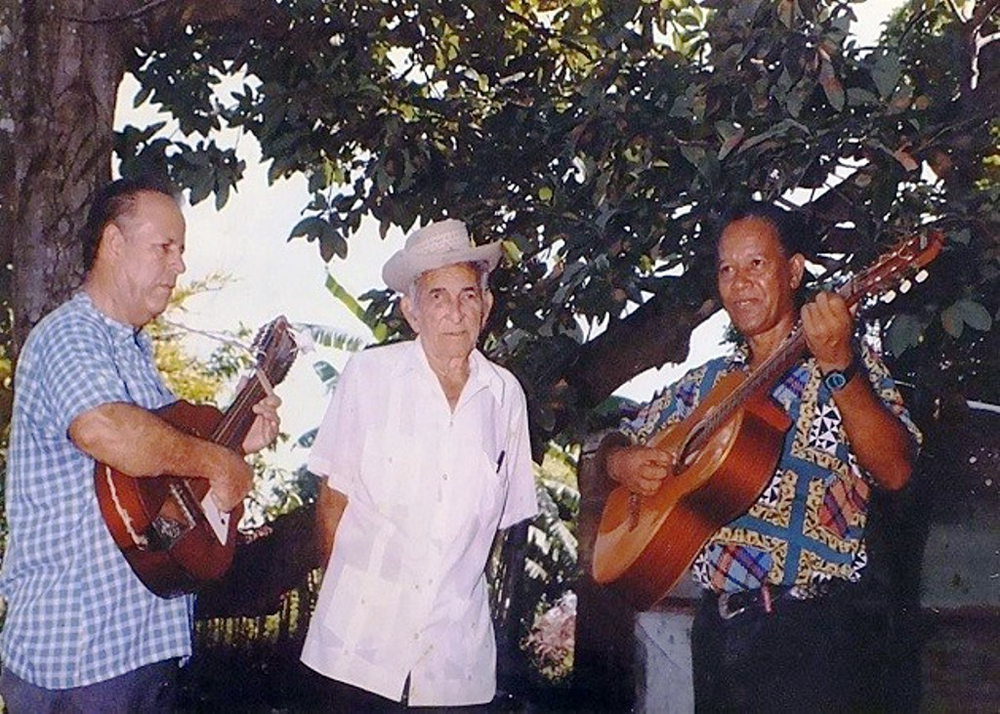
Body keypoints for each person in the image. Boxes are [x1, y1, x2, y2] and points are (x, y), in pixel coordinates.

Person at [601, 201, 921, 711]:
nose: (739, 282)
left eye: (756, 264)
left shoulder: (847, 365)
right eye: (727, 269)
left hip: (816, 638)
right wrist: (622, 463)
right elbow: (607, 445)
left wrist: (840, 367)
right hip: (718, 636)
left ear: (793, 272)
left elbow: (897, 469)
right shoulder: (703, 386)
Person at [0, 176, 281, 712]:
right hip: (81, 657)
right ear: (112, 244)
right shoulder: (71, 335)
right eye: (165, 248)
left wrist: (238, 443)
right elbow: (105, 430)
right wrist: (215, 460)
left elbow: (157, 481)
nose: (178, 266)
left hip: (135, 648)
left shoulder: (133, 352)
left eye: (182, 251)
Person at [300, 218, 538, 710]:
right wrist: (348, 603)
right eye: (436, 296)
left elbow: (497, 532)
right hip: (356, 652)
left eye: (468, 295)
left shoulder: (505, 397)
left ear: (486, 306)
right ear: (411, 311)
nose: (454, 311)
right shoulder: (369, 376)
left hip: (455, 663)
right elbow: (332, 502)